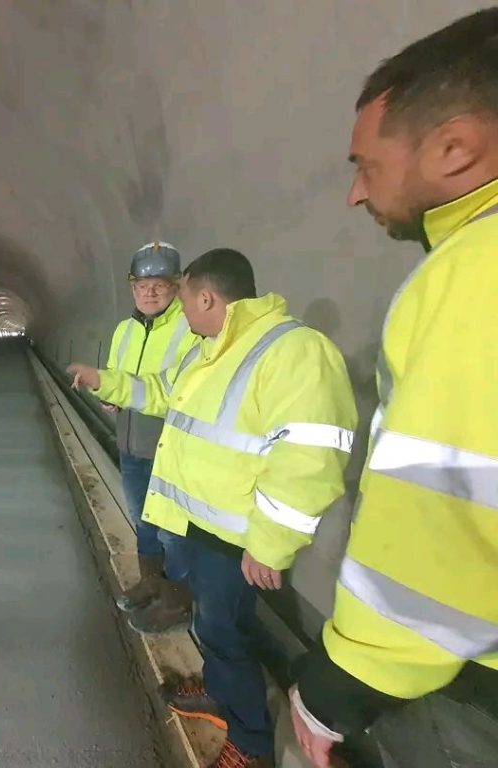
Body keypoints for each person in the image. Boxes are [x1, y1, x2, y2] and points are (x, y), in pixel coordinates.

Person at [290, 9, 498, 768]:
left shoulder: (476, 271)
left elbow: (446, 501)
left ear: (453, 148)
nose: (355, 193)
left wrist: (347, 678)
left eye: (366, 165)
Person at [68, 248, 357, 768]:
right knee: (211, 625)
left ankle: (249, 743)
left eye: (182, 298)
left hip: (235, 535)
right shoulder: (211, 350)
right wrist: (104, 381)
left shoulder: (293, 351)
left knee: (226, 631)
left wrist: (270, 545)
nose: (179, 309)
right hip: (197, 525)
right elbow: (162, 395)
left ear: (205, 297)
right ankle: (220, 690)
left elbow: (310, 459)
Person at [104, 242, 198, 633]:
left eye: (159, 285)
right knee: (142, 519)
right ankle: (150, 583)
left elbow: (183, 390)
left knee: (172, 529)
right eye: (141, 286)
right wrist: (110, 395)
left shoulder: (190, 328)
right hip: (130, 442)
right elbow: (114, 375)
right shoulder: (124, 330)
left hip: (169, 446)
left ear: (177, 286)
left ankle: (175, 601)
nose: (149, 293)